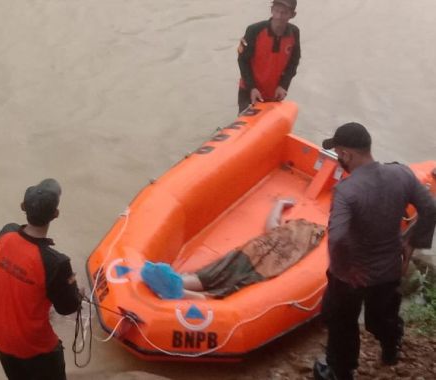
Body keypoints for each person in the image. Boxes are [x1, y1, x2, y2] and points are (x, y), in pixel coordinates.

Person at [313, 123, 436, 380]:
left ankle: (340, 370)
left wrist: (348, 269)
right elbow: (430, 208)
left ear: (347, 154)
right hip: (388, 269)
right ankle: (392, 347)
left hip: (350, 277)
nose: (339, 160)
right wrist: (411, 243)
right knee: (382, 319)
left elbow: (336, 238)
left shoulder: (347, 191)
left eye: (338, 154)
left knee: (340, 321)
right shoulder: (401, 174)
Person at [0, 178, 82, 380]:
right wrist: (76, 292)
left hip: (1, 337)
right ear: (55, 215)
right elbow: (67, 307)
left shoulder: (5, 234)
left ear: (23, 207)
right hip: (37, 348)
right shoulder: (57, 263)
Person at [142, 199, 325, 300]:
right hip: (261, 268)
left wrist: (279, 204)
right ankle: (181, 292)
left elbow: (271, 221)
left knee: (212, 275)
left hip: (247, 253)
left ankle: (180, 283)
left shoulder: (278, 231)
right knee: (227, 288)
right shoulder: (301, 248)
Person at [237, 0, 301, 113]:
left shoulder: (294, 33)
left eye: (284, 12)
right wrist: (252, 88)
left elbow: (293, 62)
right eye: (276, 11)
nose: (279, 17)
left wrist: (283, 85)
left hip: (274, 94)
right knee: (250, 127)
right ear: (271, 10)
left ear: (292, 15)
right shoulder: (254, 30)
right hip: (249, 91)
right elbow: (243, 61)